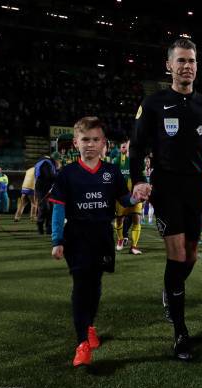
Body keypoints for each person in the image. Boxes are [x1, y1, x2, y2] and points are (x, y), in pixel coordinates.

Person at [129, 38, 202, 361]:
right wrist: (138, 181)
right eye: (181, 61)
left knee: (190, 258)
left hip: (195, 189)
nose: (187, 66)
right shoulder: (154, 103)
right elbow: (135, 146)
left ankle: (169, 289)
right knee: (176, 256)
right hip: (166, 188)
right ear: (169, 65)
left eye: (192, 60)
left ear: (197, 66)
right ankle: (180, 331)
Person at [50, 117, 140, 367]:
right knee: (81, 285)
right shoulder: (67, 174)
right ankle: (81, 343)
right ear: (76, 142)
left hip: (103, 237)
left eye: (95, 140)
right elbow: (58, 209)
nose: (90, 144)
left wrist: (137, 196)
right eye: (85, 140)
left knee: (96, 282)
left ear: (104, 143)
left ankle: (89, 325)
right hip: (76, 238)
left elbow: (125, 201)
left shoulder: (111, 172)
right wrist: (57, 240)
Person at [113, 140, 143, 255]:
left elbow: (142, 176)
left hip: (136, 195)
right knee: (120, 219)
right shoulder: (117, 161)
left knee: (137, 218)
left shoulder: (137, 161)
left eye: (127, 146)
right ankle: (120, 239)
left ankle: (134, 246)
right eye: (123, 146)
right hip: (121, 196)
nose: (125, 148)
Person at [35, 154, 58, 235]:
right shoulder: (46, 163)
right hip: (42, 188)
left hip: (49, 187)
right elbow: (49, 175)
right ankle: (40, 224)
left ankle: (49, 228)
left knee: (51, 208)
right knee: (45, 207)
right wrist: (59, 176)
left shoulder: (47, 162)